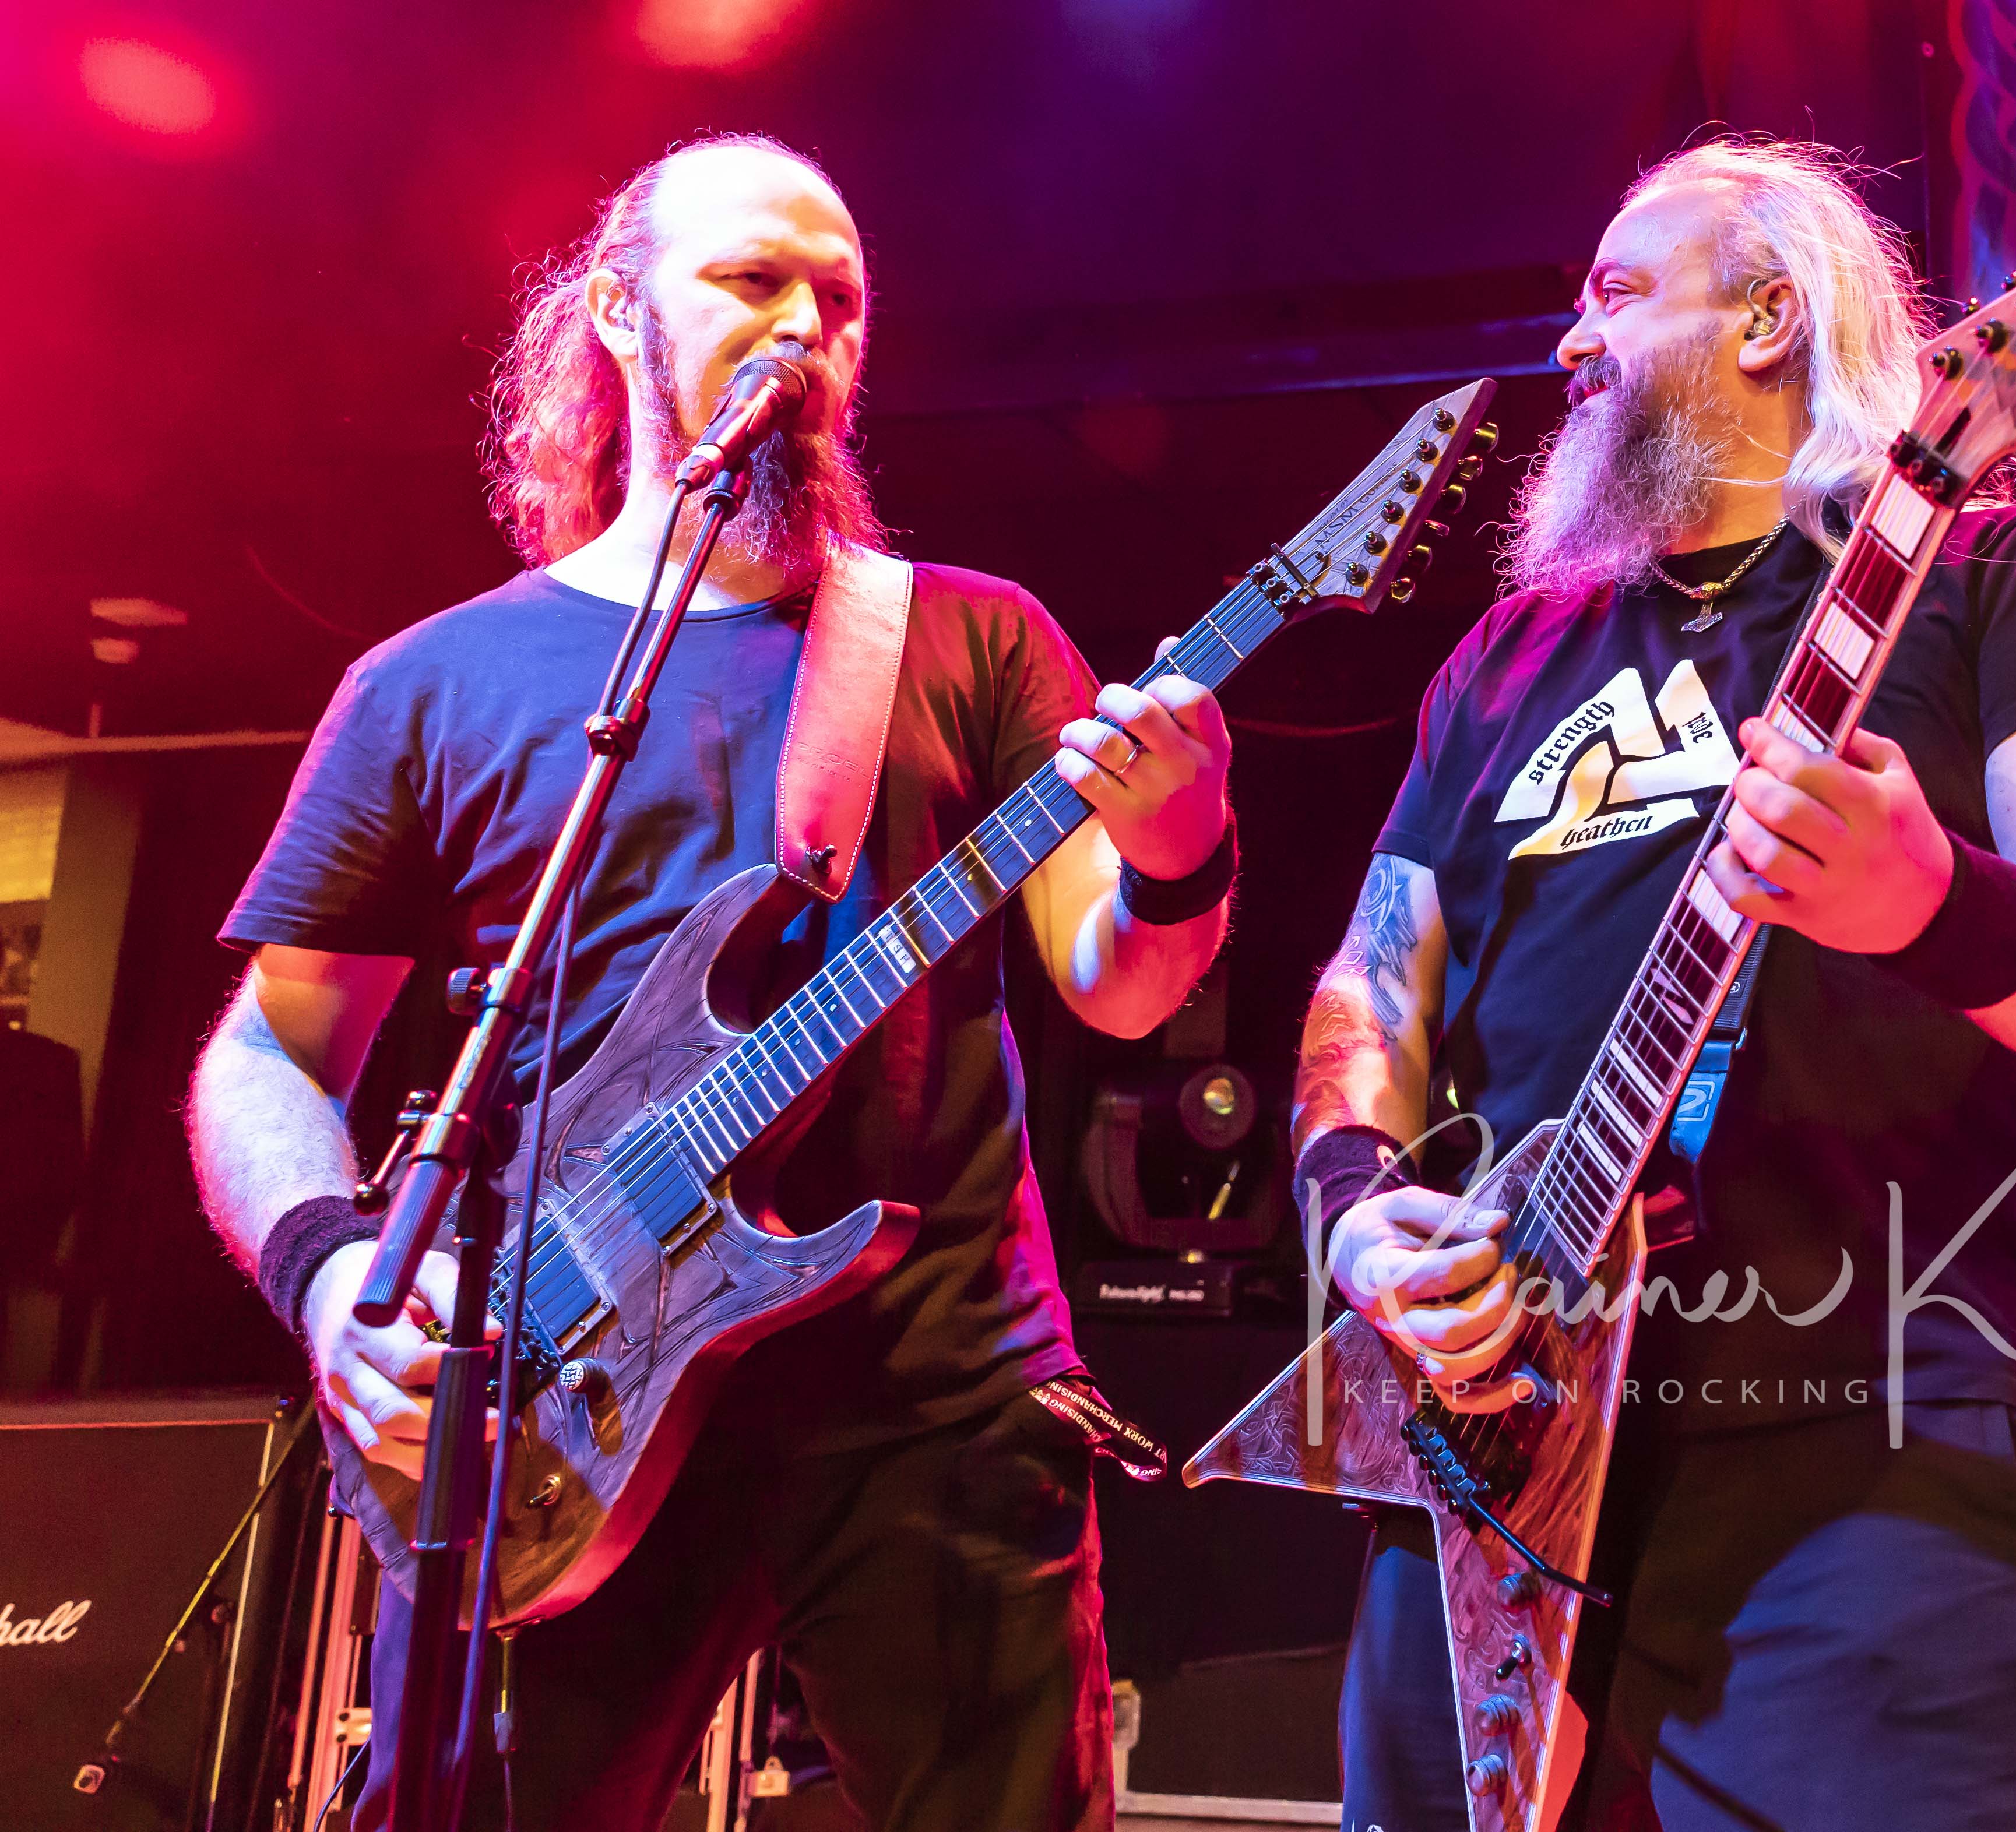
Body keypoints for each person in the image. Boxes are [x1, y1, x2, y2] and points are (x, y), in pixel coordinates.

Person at [188, 135, 1234, 1832]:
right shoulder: (435, 682)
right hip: (558, 1391)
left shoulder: (969, 638)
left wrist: (1180, 848)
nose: (806, 325)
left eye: (841, 298)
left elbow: (1118, 989)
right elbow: (273, 1053)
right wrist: (326, 1277)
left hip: (934, 1401)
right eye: (753, 280)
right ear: (617, 313)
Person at [1293, 140, 2016, 1831]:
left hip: (1872, 1457)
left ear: (1771, 317)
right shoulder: (1503, 661)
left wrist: (1927, 904)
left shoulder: (1989, 573)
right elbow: (1369, 986)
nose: (1572, 342)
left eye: (1618, 293)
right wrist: (1355, 1221)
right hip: (1494, 1456)